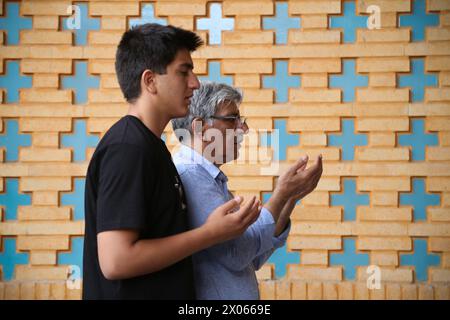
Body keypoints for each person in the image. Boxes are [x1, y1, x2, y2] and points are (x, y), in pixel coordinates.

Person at [82, 24, 261, 300]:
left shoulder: (153, 148)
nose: (195, 83)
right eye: (183, 71)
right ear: (150, 81)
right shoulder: (127, 148)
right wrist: (210, 234)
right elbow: (116, 260)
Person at [171, 82, 323, 299]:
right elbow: (237, 253)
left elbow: (253, 257)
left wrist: (289, 198)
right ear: (199, 129)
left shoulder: (207, 175)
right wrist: (281, 195)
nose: (244, 129)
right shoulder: (190, 174)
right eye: (232, 119)